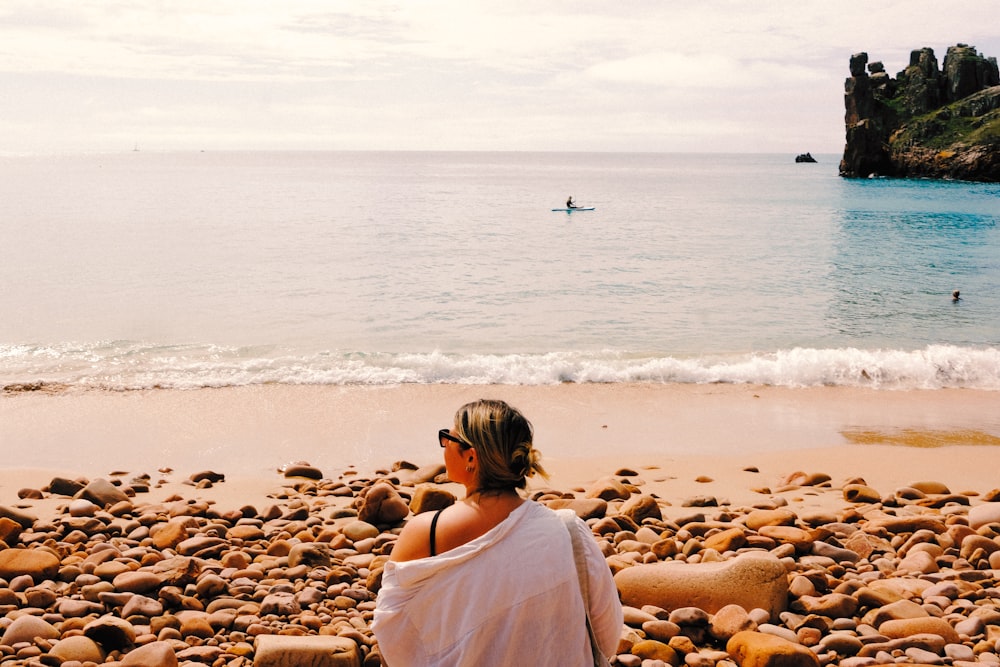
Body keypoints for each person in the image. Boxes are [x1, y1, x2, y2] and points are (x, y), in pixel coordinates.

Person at [372, 399, 622, 666]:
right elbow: (606, 637)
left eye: (448, 438)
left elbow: (392, 638)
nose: (444, 446)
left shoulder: (426, 532)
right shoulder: (567, 530)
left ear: (471, 457)